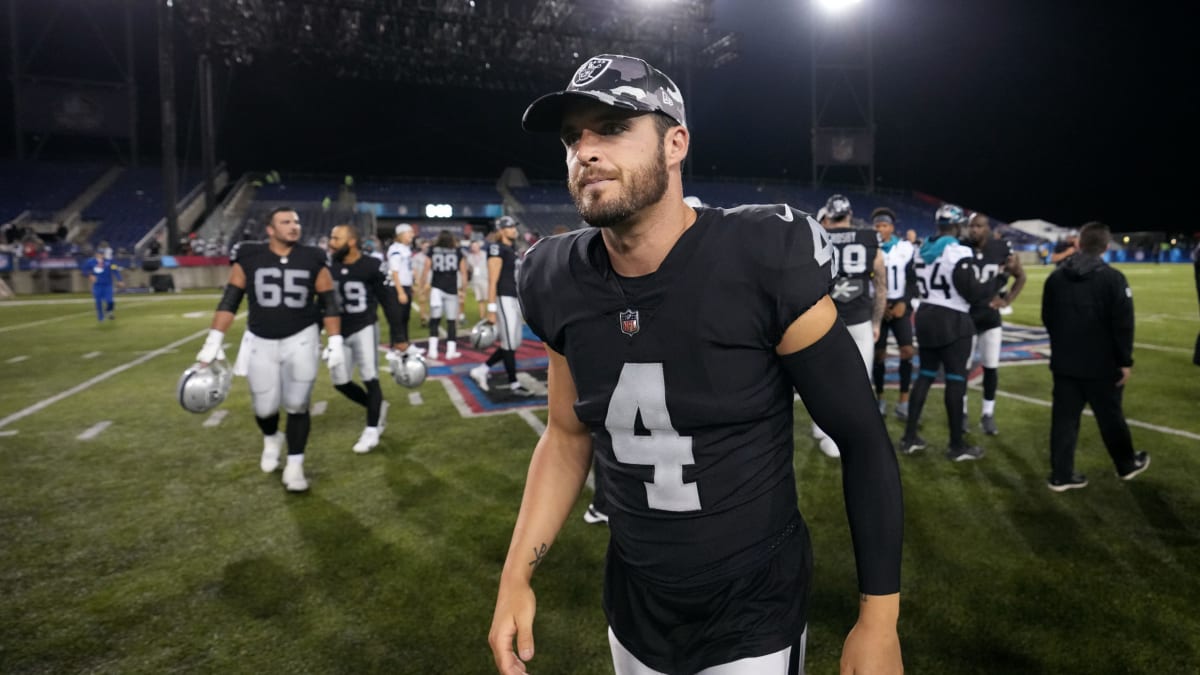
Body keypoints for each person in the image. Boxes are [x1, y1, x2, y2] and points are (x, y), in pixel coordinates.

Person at [488, 53, 903, 675]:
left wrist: (879, 619)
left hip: (752, 601)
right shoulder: (554, 276)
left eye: (613, 127)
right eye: (574, 136)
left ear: (675, 142)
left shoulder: (760, 257)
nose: (586, 151)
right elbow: (568, 434)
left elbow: (862, 438)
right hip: (634, 597)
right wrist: (515, 575)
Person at [195, 206, 344, 492]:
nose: (293, 226)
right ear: (270, 229)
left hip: (302, 337)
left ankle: (295, 465)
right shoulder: (250, 255)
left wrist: (335, 341)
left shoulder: (313, 257)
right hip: (260, 338)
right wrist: (213, 340)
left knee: (298, 403)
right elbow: (230, 300)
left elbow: (329, 302)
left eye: (296, 221)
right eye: (285, 222)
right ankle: (271, 437)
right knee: (264, 407)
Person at [1041, 221, 1149, 491]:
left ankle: (1061, 475)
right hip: (1101, 365)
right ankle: (1126, 464)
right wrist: (1125, 361)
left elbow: (1048, 318)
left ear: (1079, 243)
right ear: (1105, 246)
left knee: (1064, 420)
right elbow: (1123, 325)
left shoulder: (1056, 277)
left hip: (1065, 362)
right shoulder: (1113, 279)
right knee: (1111, 417)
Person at [897, 203, 992, 460]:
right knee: (955, 379)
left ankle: (909, 437)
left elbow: (910, 279)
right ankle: (956, 445)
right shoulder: (958, 250)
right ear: (957, 225)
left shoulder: (922, 248)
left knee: (925, 376)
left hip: (926, 315)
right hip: (953, 318)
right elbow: (970, 291)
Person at [812, 193, 886, 458]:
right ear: (850, 215)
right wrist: (877, 321)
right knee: (856, 383)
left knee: (823, 379)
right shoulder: (868, 238)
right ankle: (840, 439)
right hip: (860, 321)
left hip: (826, 320)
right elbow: (880, 284)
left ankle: (821, 427)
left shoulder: (819, 236)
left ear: (829, 215)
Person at [326, 223, 407, 453]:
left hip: (364, 327)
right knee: (340, 381)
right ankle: (376, 406)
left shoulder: (372, 265)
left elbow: (388, 301)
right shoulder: (329, 267)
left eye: (336, 238)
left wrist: (398, 336)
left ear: (351, 241)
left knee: (370, 377)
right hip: (339, 332)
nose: (332, 242)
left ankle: (372, 429)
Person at [963, 212, 1026, 435]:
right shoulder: (961, 248)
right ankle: (962, 413)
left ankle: (987, 414)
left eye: (978, 226)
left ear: (987, 228)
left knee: (990, 367)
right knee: (963, 369)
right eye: (971, 227)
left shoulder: (1001, 249)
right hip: (967, 317)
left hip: (990, 319)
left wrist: (1006, 299)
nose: (974, 230)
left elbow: (1020, 276)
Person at [469, 216, 534, 396]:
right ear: (501, 230)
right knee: (509, 343)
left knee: (514, 342)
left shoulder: (509, 249)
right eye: (510, 226)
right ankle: (513, 384)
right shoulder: (496, 249)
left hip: (512, 297)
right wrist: (491, 309)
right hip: (503, 297)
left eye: (514, 226)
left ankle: (482, 369)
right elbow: (492, 280)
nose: (514, 229)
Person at [871, 207, 917, 420]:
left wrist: (904, 303)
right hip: (878, 308)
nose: (881, 229)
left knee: (907, 351)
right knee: (879, 356)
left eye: (884, 225)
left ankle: (904, 401)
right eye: (878, 225)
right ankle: (880, 398)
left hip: (899, 307)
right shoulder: (869, 247)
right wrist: (880, 307)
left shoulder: (905, 248)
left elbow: (913, 280)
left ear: (892, 227)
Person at [423, 230, 469, 360]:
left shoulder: (432, 250)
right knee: (451, 322)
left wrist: (422, 286)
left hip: (436, 289)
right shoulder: (457, 251)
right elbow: (464, 273)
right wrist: (463, 290)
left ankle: (432, 350)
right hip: (451, 290)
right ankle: (451, 351)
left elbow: (426, 268)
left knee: (434, 320)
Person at [386, 224, 421, 355]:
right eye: (409, 233)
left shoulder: (405, 249)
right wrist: (400, 291)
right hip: (396, 287)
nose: (412, 235)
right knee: (397, 319)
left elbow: (407, 270)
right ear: (401, 234)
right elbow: (394, 272)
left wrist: (412, 285)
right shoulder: (395, 249)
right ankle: (395, 347)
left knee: (404, 318)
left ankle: (404, 344)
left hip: (404, 285)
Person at [84, 249, 124, 321]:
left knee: (110, 301)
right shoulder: (90, 262)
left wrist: (120, 280)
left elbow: (115, 271)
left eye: (102, 254)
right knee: (98, 301)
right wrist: (89, 275)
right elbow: (84, 269)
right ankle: (101, 317)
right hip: (97, 285)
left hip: (107, 285)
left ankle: (108, 311)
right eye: (99, 254)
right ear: (96, 254)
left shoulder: (109, 262)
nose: (100, 255)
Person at [466, 240, 489, 320]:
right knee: (480, 299)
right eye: (473, 246)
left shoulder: (485, 254)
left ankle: (490, 315)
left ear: (479, 246)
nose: (474, 248)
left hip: (486, 279)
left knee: (488, 298)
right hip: (476, 280)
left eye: (475, 246)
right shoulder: (469, 257)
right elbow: (469, 269)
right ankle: (482, 316)